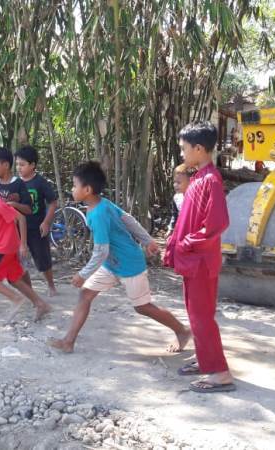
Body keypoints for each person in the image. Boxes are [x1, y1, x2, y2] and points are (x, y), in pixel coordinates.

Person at [48, 161, 191, 354]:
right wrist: (147, 240)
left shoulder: (98, 214)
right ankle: (68, 341)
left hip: (129, 264)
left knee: (143, 307)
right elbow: (128, 220)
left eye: (74, 185)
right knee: (85, 294)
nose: (72, 189)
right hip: (111, 264)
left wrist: (83, 274)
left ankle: (182, 331)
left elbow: (101, 251)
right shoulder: (102, 204)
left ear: (87, 190)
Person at [164, 121, 235, 393]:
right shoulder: (199, 178)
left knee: (202, 317)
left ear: (198, 148)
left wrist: (186, 243)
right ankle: (205, 360)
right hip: (193, 260)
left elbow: (217, 224)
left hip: (200, 261)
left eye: (184, 148)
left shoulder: (211, 180)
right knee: (196, 315)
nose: (182, 153)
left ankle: (220, 373)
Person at [0, 164, 51, 322]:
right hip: (3, 247)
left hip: (4, 248)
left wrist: (22, 244)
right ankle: (41, 304)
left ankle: (16, 298)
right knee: (14, 278)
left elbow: (20, 218)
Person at [15, 145, 59, 296]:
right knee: (17, 259)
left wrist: (46, 222)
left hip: (36, 228)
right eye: (17, 164)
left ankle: (51, 285)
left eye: (22, 164)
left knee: (42, 259)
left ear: (32, 165)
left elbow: (53, 202)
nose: (18, 168)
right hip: (18, 229)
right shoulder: (15, 183)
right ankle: (28, 290)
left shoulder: (40, 182)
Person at [168, 163, 195, 234]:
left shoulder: (196, 198)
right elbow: (175, 215)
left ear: (190, 182)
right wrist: (171, 229)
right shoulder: (176, 197)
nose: (175, 185)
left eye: (179, 183)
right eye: (174, 182)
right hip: (182, 231)